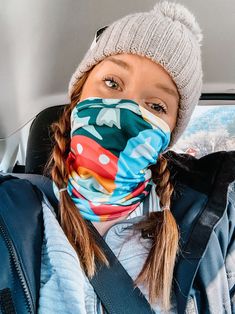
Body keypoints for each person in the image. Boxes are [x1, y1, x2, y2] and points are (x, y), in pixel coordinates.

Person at [0, 1, 234, 314]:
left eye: (155, 106)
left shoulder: (216, 223)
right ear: (79, 94)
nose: (123, 113)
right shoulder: (7, 209)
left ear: (168, 136)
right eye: (112, 83)